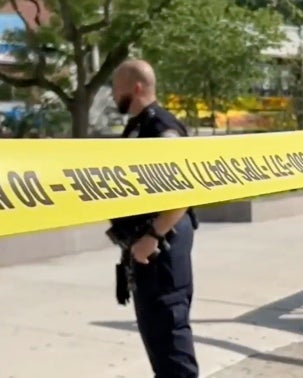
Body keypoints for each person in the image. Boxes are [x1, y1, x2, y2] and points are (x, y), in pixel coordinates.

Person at [111, 59, 199, 377]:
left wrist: (153, 236)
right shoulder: (138, 126)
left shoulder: (162, 129)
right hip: (149, 250)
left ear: (136, 87)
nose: (112, 94)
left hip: (162, 247)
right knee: (159, 340)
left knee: (170, 339)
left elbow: (187, 186)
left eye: (115, 87)